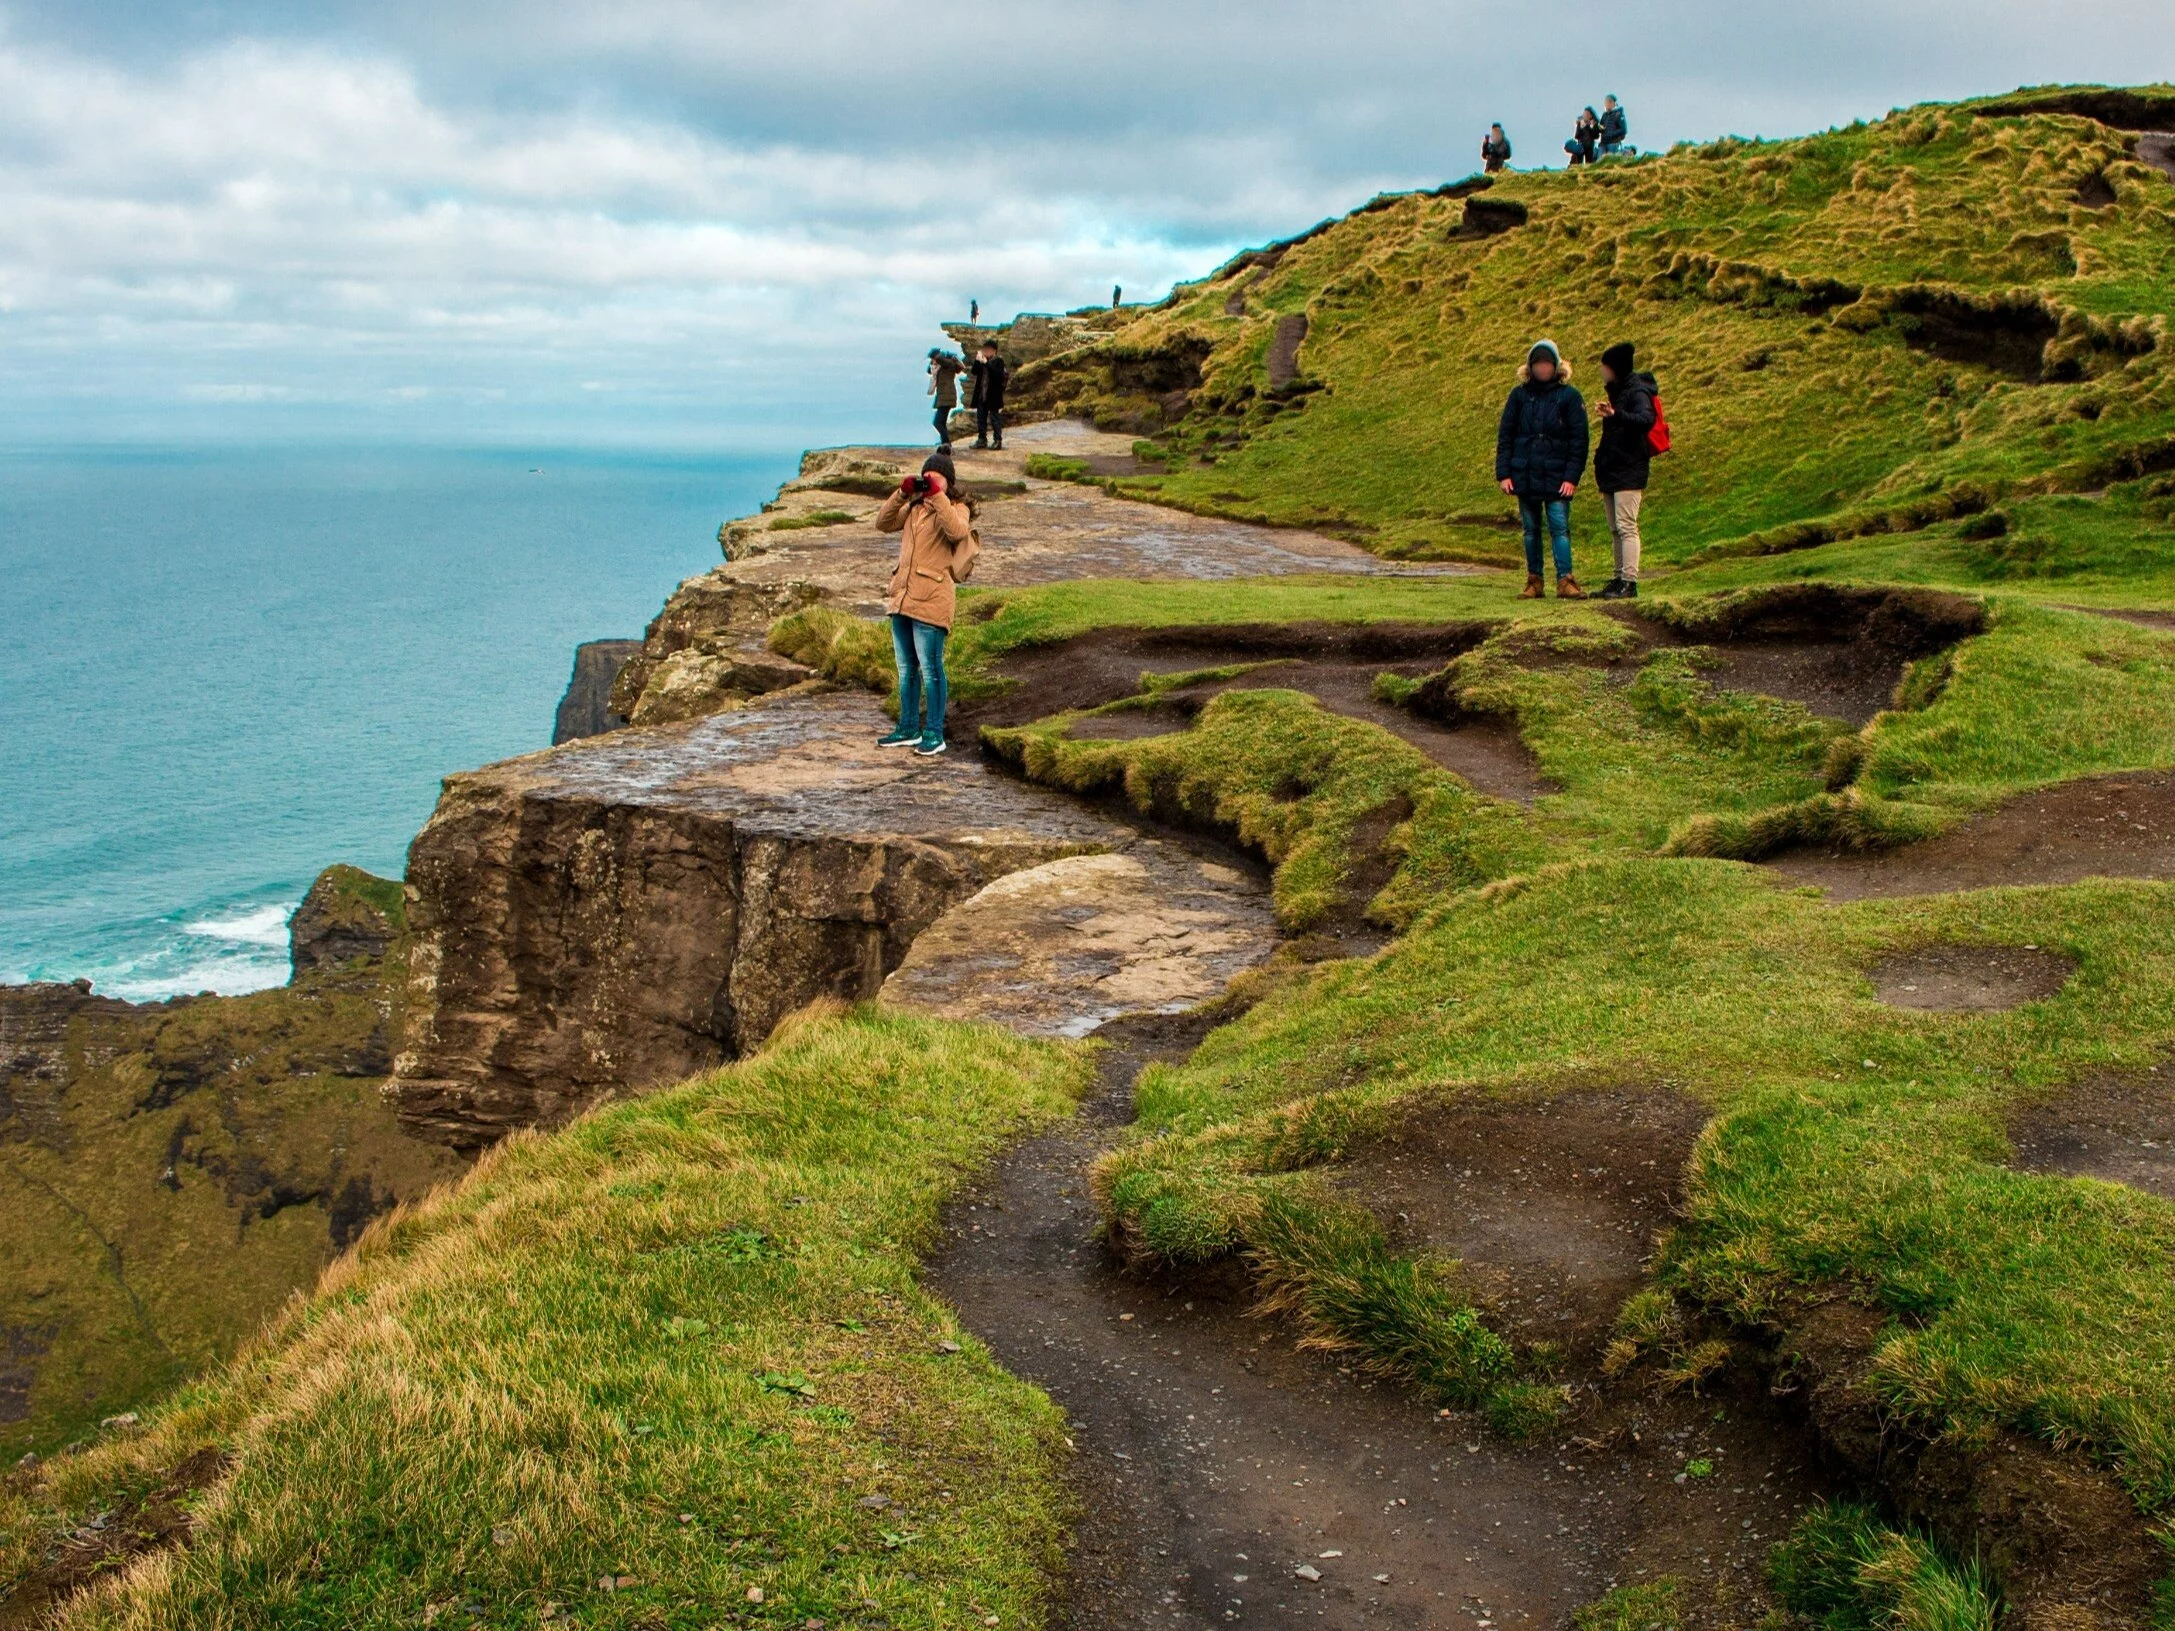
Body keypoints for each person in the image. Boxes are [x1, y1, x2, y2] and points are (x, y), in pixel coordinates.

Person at [874, 452, 980, 755]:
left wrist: (938, 496)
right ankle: (907, 728)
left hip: (932, 600)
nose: (931, 478)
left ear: (949, 481)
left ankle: (934, 732)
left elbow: (957, 532)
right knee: (906, 668)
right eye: (927, 475)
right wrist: (902, 493)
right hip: (903, 597)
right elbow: (882, 523)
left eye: (938, 475)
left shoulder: (958, 508)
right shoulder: (913, 508)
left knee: (931, 669)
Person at [1496, 339, 1588, 599]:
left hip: (1558, 476)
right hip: (1524, 475)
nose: (1542, 368)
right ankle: (1534, 581)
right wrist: (1504, 473)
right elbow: (1506, 435)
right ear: (1530, 366)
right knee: (1530, 530)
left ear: (1556, 365)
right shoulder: (1519, 396)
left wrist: (1572, 476)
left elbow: (1579, 440)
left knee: (1559, 527)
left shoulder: (1570, 397)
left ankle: (1566, 580)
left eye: (1547, 363)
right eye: (1538, 363)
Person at [1592, 342, 1658, 600]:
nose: (1602, 370)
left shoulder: (1637, 392)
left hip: (1629, 469)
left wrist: (1616, 414)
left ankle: (1629, 581)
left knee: (1626, 525)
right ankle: (1618, 577)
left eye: (1605, 366)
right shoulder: (1618, 391)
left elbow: (1645, 420)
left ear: (1615, 367)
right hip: (1612, 468)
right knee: (1615, 527)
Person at [968, 340, 1008, 450]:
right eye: (984, 349)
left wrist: (986, 363)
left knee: (995, 418)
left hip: (993, 395)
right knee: (981, 418)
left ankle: (997, 440)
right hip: (982, 395)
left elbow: (998, 375)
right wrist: (977, 361)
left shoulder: (998, 361)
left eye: (988, 349)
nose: (985, 351)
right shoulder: (982, 361)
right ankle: (982, 440)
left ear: (994, 351)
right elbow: (974, 371)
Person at [926, 348, 964, 443]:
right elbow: (929, 370)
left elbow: (940, 359)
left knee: (937, 422)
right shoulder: (940, 367)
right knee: (941, 422)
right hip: (944, 397)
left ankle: (946, 442)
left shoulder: (948, 364)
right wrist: (933, 362)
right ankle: (945, 443)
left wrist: (937, 356)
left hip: (947, 397)